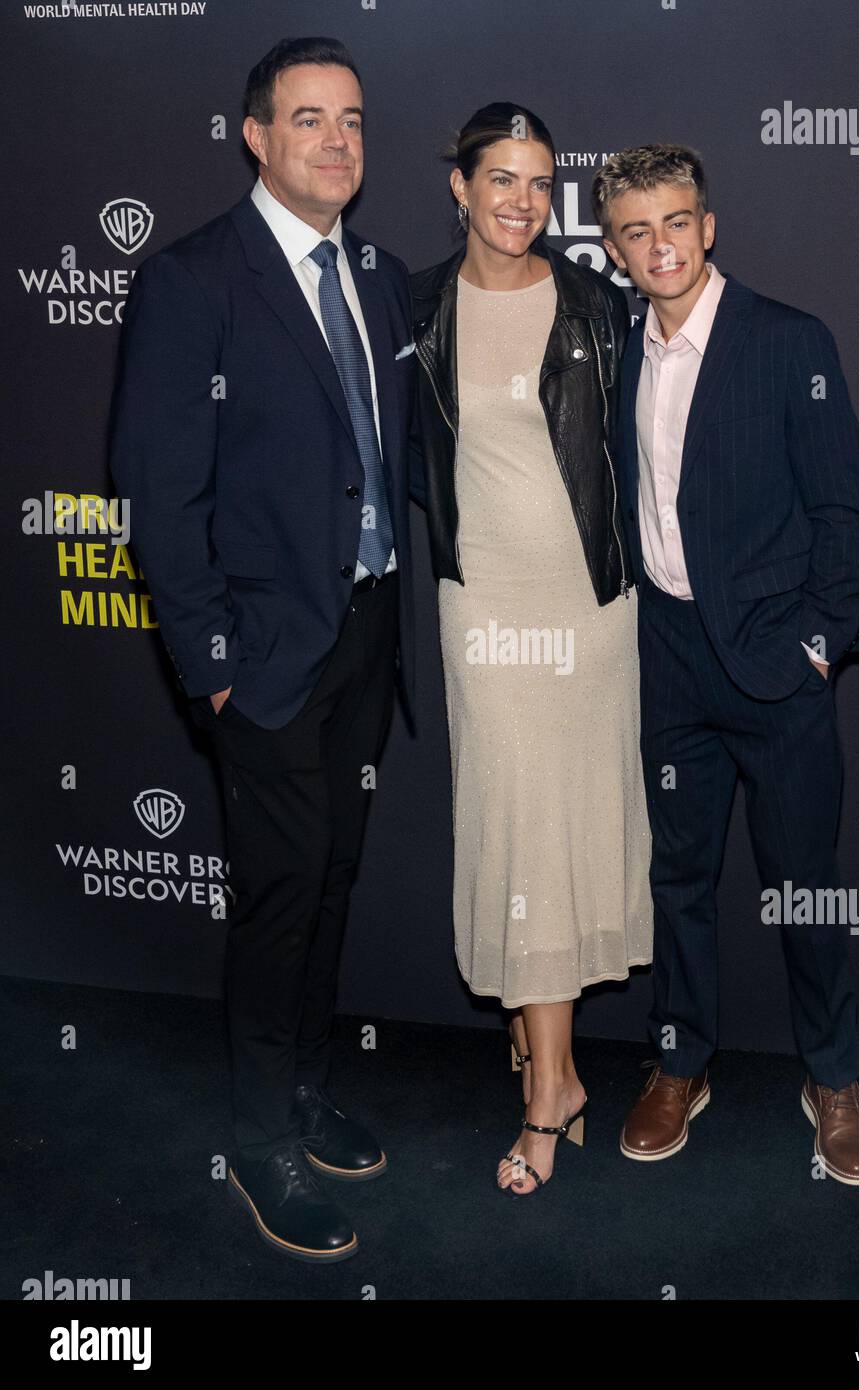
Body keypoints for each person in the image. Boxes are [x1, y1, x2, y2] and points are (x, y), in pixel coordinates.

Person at [109, 37, 419, 1260]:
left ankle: (299, 1091)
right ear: (255, 137)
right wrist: (215, 658)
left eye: (350, 120)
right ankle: (257, 1138)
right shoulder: (197, 277)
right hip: (266, 652)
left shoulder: (379, 274)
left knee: (334, 879)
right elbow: (154, 487)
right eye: (306, 120)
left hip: (368, 630)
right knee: (280, 898)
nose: (335, 142)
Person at [593, 144, 859, 1184]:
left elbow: (842, 512)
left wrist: (813, 644)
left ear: (706, 226)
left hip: (773, 664)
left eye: (675, 222)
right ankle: (680, 1063)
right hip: (666, 656)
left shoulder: (785, 341)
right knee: (676, 880)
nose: (658, 245)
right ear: (616, 247)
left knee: (803, 886)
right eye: (635, 230)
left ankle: (832, 1077)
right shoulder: (616, 349)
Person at [410, 104, 652, 1195]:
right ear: (457, 186)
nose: (519, 200)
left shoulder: (598, 305)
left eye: (537, 182)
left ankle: (549, 1087)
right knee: (508, 824)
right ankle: (538, 1049)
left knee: (550, 834)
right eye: (498, 178)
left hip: (581, 609)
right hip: (480, 604)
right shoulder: (413, 305)